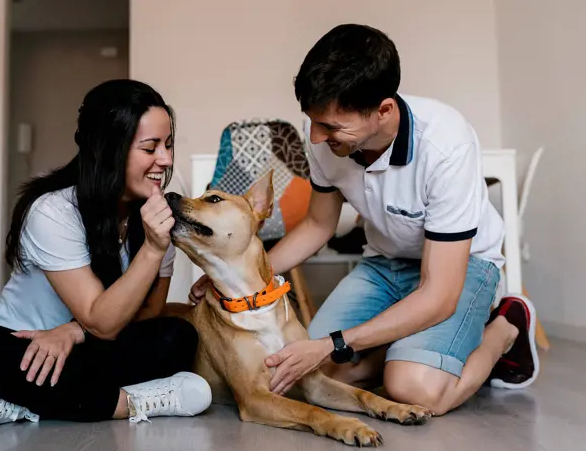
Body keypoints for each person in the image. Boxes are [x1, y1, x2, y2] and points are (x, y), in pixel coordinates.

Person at [190, 24, 539, 415]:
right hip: (383, 266)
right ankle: (400, 350)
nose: (317, 139)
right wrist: (240, 278)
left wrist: (334, 343)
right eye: (313, 122)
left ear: (384, 110)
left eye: (331, 128)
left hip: (461, 269)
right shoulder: (323, 133)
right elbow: (318, 225)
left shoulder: (445, 145)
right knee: (300, 373)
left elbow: (438, 294)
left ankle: (507, 326)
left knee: (413, 388)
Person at [0, 79, 212, 432]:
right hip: (23, 349)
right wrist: (152, 250)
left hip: (91, 350)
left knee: (177, 336)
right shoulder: (53, 211)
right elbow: (99, 319)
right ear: (108, 149)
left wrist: (72, 333)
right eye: (150, 148)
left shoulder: (153, 213)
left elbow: (148, 311)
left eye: (167, 145)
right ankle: (128, 403)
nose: (165, 159)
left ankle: (14, 402)